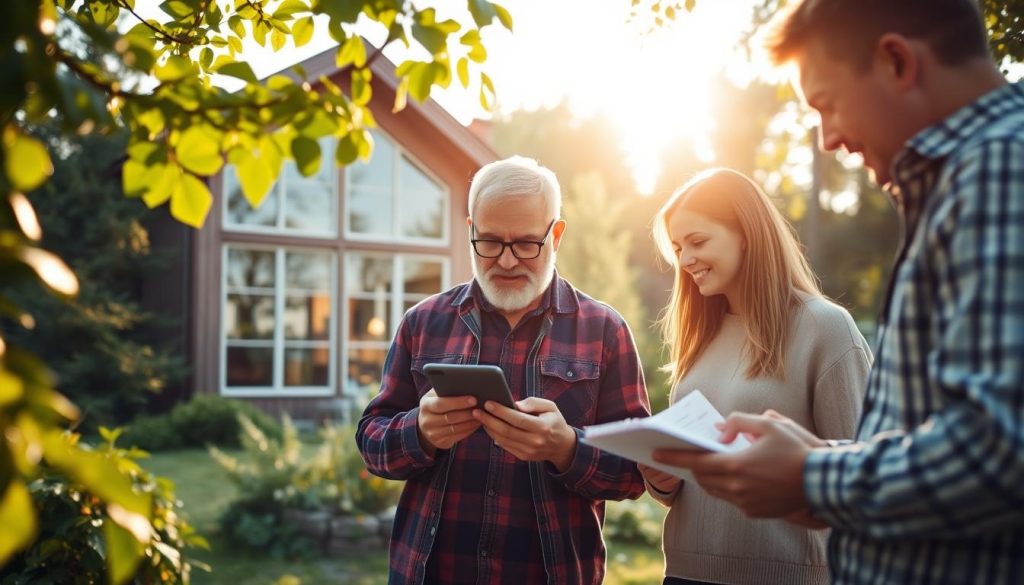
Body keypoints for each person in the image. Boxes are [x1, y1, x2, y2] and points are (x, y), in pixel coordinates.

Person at [652, 1, 1024, 584]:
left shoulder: (997, 171)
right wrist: (818, 468)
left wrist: (809, 475)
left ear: (897, 61)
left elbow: (999, 449)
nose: (828, 140)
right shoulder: (963, 184)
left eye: (827, 104)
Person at [355, 155, 651, 585]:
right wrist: (419, 432)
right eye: (490, 242)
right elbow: (371, 441)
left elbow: (636, 471)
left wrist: (566, 448)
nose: (508, 262)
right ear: (471, 229)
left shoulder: (605, 330)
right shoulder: (423, 322)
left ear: (558, 234)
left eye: (527, 244)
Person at [642, 168, 870, 585]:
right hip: (687, 575)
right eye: (678, 247)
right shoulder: (700, 334)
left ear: (746, 234)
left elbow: (862, 469)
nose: (685, 259)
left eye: (698, 241)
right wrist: (663, 481)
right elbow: (689, 483)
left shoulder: (825, 328)